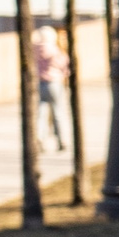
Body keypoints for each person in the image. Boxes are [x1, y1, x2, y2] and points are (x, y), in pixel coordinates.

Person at [32, 24, 69, 152]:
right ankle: (61, 140)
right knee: (57, 112)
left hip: (40, 83)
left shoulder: (35, 49)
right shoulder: (54, 49)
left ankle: (40, 138)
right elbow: (63, 65)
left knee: (41, 113)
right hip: (54, 82)